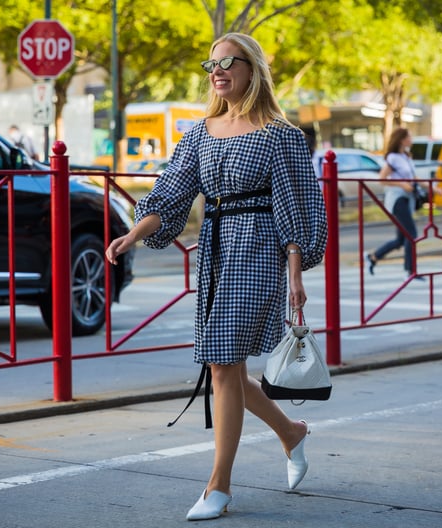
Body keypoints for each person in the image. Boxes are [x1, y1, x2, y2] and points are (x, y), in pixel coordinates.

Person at [105, 33, 327, 521]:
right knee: (224, 365)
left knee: (224, 364)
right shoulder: (200, 132)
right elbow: (170, 194)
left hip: (261, 251)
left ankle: (217, 488)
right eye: (211, 63)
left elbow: (298, 205)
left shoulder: (279, 134)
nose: (218, 70)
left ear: (253, 69)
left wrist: (296, 274)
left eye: (229, 61)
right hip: (217, 249)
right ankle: (292, 432)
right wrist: (132, 235)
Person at [365, 128, 439, 279]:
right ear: (401, 139)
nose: (411, 138)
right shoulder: (392, 158)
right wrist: (401, 184)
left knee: (401, 239)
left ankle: (373, 257)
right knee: (411, 234)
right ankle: (411, 271)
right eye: (409, 136)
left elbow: (414, 177)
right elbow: (382, 178)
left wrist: (432, 187)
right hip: (398, 200)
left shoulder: (406, 156)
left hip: (408, 199)